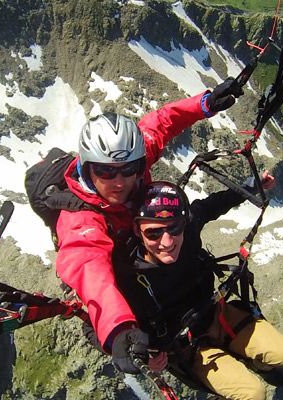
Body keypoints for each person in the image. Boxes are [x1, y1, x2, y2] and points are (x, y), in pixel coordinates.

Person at [54, 79, 244, 364]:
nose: (119, 182)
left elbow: (162, 123)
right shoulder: (81, 218)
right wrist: (119, 327)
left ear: (139, 163)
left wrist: (203, 104)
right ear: (88, 168)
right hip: (127, 279)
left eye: (128, 169)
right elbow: (89, 269)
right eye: (106, 172)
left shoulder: (135, 159)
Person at [115, 180, 283, 400]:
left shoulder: (189, 229)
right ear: (137, 229)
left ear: (184, 222)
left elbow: (210, 206)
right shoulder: (126, 274)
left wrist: (250, 188)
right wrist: (140, 358)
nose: (167, 241)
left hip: (218, 316)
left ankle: (255, 362)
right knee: (254, 394)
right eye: (153, 233)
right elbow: (98, 323)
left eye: (174, 227)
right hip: (188, 348)